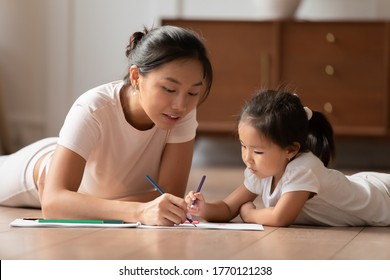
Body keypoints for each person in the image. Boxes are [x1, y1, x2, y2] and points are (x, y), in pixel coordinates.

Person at [0, 25, 213, 226]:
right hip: (38, 167)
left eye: (193, 93)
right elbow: (54, 204)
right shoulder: (93, 107)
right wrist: (139, 211)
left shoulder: (180, 112)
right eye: (168, 89)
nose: (181, 105)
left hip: (90, 170)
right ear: (136, 77)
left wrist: (92, 205)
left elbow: (169, 195)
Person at [186, 89, 390, 227]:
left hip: (382, 199)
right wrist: (203, 208)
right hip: (363, 184)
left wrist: (249, 214)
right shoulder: (261, 170)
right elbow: (228, 207)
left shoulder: (303, 167)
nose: (248, 158)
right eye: (243, 146)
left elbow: (280, 217)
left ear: (291, 150)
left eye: (257, 151)